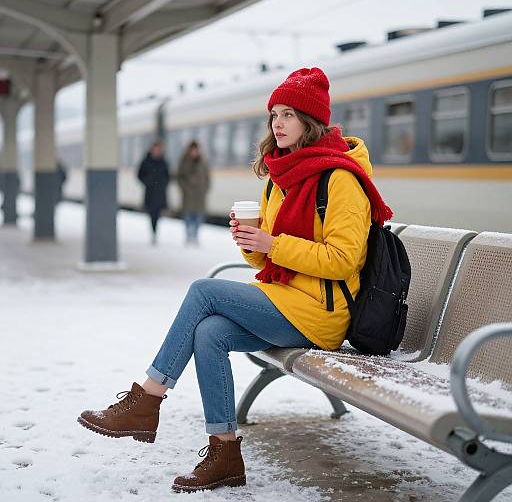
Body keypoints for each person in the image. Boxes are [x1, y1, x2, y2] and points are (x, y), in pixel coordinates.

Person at [77, 67, 392, 493]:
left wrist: (272, 242)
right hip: (284, 297)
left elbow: (342, 260)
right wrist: (251, 242)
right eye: (274, 115)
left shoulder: (340, 179)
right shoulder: (279, 176)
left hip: (324, 313)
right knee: (209, 333)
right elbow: (266, 254)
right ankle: (225, 453)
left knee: (203, 291)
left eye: (288, 115)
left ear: (310, 122)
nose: (277, 123)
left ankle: (146, 400)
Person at [137, 141, 171, 244]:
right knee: (151, 213)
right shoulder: (146, 161)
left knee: (157, 213)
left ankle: (155, 231)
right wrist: (148, 181)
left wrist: (163, 183)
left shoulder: (163, 161)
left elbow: (168, 176)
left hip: (160, 192)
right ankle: (153, 231)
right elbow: (139, 175)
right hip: (150, 192)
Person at [177, 140, 210, 245]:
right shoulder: (184, 162)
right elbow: (179, 177)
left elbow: (207, 178)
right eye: (193, 149)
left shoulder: (203, 162)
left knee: (198, 217)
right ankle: (189, 236)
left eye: (196, 149)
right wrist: (185, 188)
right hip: (188, 196)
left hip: (200, 195)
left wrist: (204, 189)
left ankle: (195, 236)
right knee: (188, 216)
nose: (195, 152)